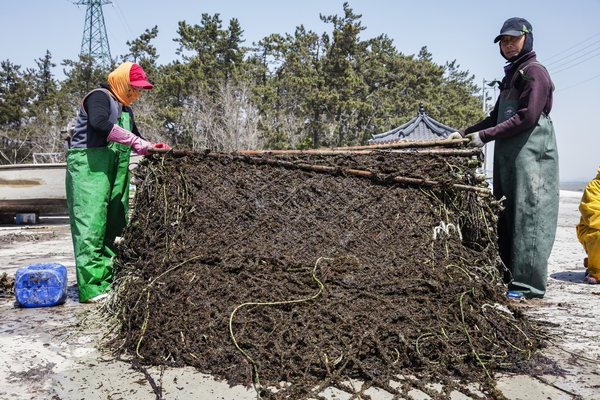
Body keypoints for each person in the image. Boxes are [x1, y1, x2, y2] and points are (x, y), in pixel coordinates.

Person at [448, 17, 559, 299]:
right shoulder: (512, 75)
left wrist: (484, 137)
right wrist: (463, 133)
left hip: (532, 156)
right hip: (509, 156)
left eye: (514, 40)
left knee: (529, 215)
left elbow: (527, 117)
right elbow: (494, 117)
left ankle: (529, 286)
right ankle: (510, 277)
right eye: (505, 42)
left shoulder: (534, 72)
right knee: (507, 213)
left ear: (527, 39)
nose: (509, 46)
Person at [66, 62, 170, 303]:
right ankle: (91, 288)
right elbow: (99, 125)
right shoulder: (99, 98)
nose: (137, 94)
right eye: (134, 88)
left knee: (115, 223)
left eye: (140, 90)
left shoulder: (126, 110)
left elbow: (137, 138)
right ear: (122, 82)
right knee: (91, 225)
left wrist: (152, 147)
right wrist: (135, 142)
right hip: (90, 169)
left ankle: (110, 280)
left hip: (115, 171)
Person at [576, 170, 600, 284]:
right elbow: (593, 216)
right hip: (593, 229)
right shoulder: (594, 186)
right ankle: (596, 271)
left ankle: (592, 261)